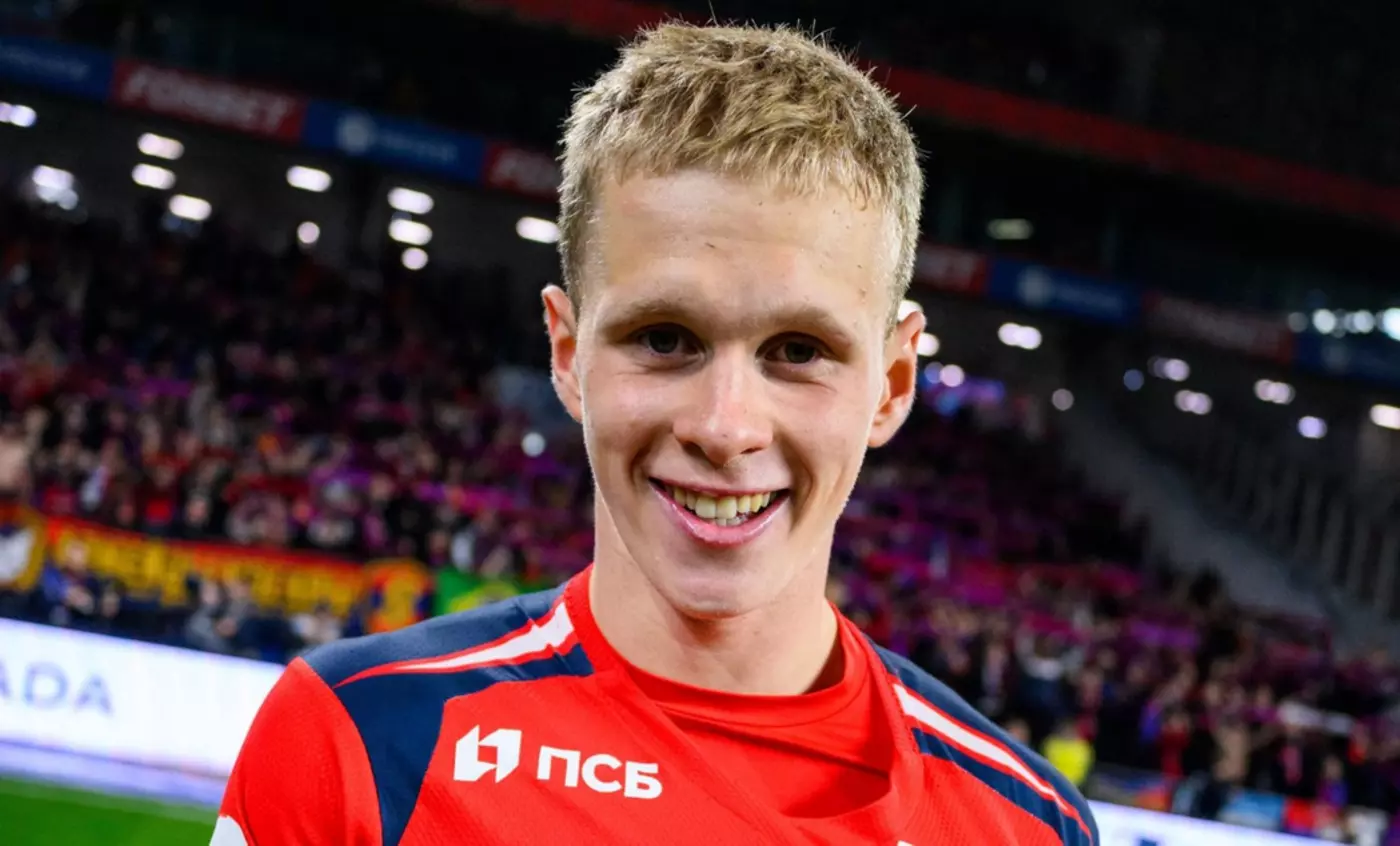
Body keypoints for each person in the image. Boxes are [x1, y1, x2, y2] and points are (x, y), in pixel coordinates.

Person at [213, 23, 1098, 846]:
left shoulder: (1026, 826)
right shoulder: (358, 738)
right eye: (665, 339)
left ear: (892, 384)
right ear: (567, 354)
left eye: (799, 351)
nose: (725, 427)